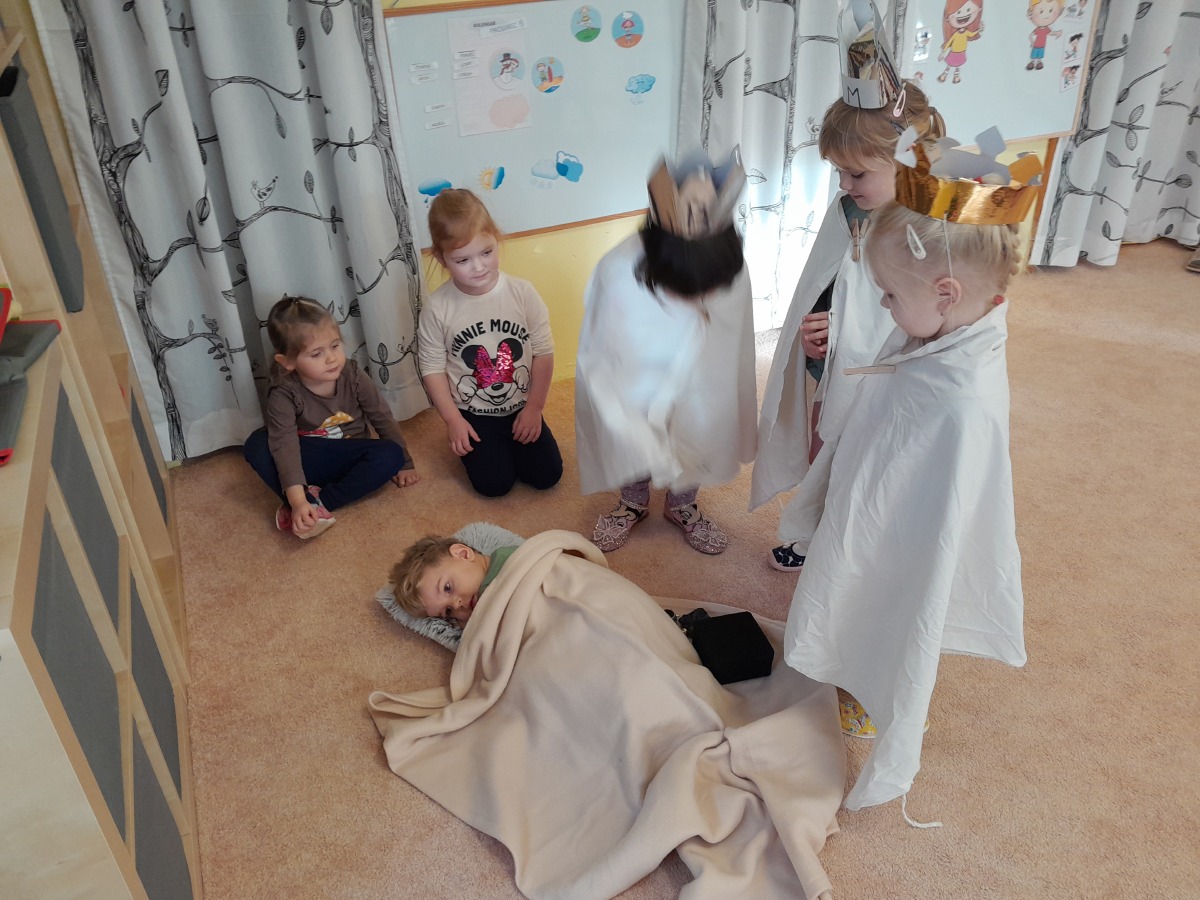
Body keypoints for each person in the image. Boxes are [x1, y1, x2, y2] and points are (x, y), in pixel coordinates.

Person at [780, 132, 1033, 814]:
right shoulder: (942, 329)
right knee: (852, 578)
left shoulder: (964, 400)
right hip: (879, 497)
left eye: (890, 295)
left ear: (946, 292)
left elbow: (942, 503)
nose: (885, 308)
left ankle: (874, 686)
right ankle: (846, 657)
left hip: (909, 530)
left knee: (889, 600)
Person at [752, 79, 945, 572]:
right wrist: (816, 337)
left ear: (908, 161)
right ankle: (815, 530)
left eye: (856, 173)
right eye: (838, 171)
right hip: (830, 361)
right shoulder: (849, 209)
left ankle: (845, 544)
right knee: (821, 445)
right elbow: (827, 282)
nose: (843, 184)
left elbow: (921, 320)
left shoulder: (928, 227)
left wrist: (849, 334)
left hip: (883, 378)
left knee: (865, 461)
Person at [575, 152, 756, 555]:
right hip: (641, 371)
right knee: (633, 427)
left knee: (699, 427)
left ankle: (682, 503)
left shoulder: (731, 269)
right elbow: (606, 356)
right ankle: (633, 501)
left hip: (700, 375)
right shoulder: (620, 270)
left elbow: (733, 348)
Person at [417, 189, 563, 498]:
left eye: (486, 252)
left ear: (496, 240)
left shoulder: (523, 294)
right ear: (442, 259)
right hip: (472, 412)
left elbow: (543, 353)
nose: (479, 267)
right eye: (463, 260)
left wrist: (534, 408)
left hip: (521, 404)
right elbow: (432, 368)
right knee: (493, 485)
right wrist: (453, 420)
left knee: (547, 475)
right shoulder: (438, 307)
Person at [244, 296, 417, 539]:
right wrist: (296, 499)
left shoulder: (353, 374)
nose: (331, 358)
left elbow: (381, 416)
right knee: (257, 444)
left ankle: (318, 504)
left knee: (390, 455)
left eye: (335, 346)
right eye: (316, 354)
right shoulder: (283, 392)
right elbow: (284, 444)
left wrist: (405, 463)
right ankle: (301, 502)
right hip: (309, 460)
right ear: (287, 362)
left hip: (350, 457)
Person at [390, 534, 520, 626]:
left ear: (462, 554)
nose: (457, 605)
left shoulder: (511, 559)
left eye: (447, 588)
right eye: (448, 610)